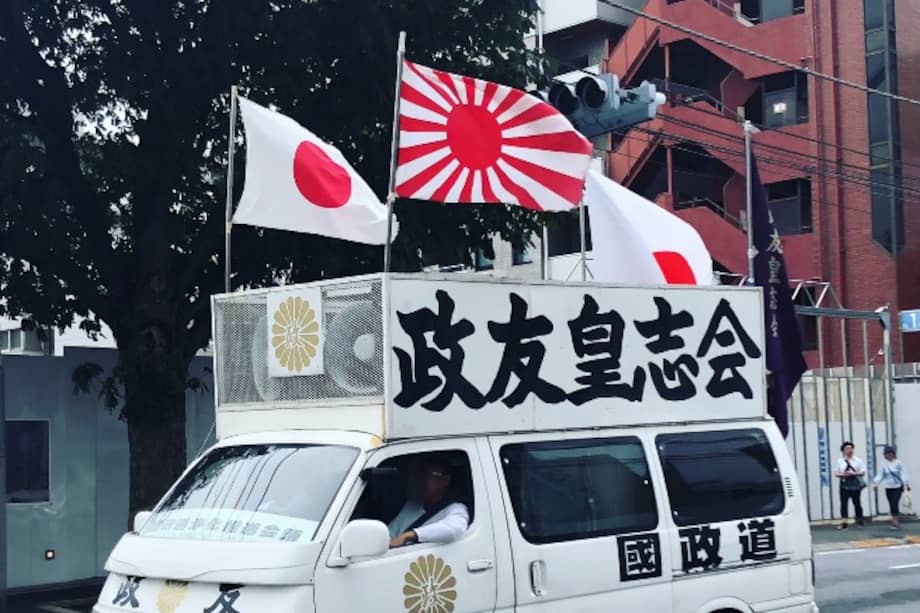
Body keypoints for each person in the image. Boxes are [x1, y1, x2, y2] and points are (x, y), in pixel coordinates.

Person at [389, 454, 470, 548]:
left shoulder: (456, 508)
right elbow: (389, 535)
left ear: (445, 480)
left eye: (430, 475)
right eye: (422, 474)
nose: (423, 479)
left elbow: (455, 529)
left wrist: (409, 535)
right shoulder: (412, 505)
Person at [872, 445, 911, 530]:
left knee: (894, 503)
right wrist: (875, 483)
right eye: (886, 454)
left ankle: (895, 522)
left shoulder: (899, 463)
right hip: (888, 487)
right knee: (891, 504)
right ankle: (894, 520)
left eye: (889, 453)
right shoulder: (884, 464)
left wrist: (905, 484)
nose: (887, 455)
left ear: (893, 453)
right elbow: (881, 474)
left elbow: (903, 473)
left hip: (897, 487)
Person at [835, 441, 866, 530]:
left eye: (851, 448)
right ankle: (844, 523)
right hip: (844, 484)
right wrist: (844, 475)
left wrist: (854, 473)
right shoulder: (840, 461)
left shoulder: (858, 460)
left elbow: (863, 472)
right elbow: (836, 473)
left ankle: (859, 520)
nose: (849, 450)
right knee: (843, 503)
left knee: (857, 503)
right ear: (843, 451)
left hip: (855, 484)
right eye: (847, 448)